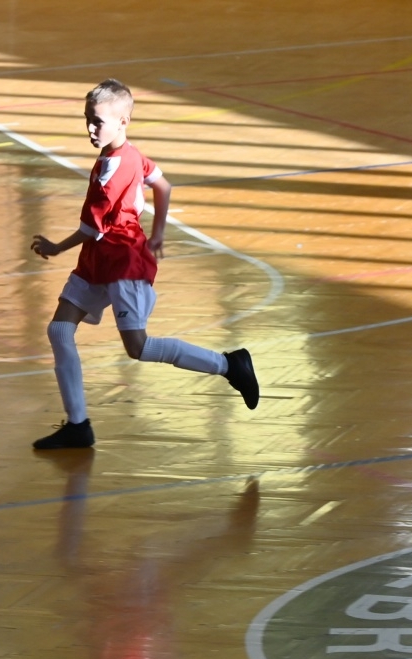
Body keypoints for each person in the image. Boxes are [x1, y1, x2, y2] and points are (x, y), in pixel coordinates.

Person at [29, 79, 259, 450]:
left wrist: (56, 247)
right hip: (99, 260)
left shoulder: (113, 170)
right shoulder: (129, 154)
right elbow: (163, 186)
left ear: (124, 122)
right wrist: (159, 232)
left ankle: (229, 365)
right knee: (59, 330)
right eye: (87, 119)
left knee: (137, 347)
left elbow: (91, 228)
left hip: (123, 262)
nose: (90, 128)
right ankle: (78, 425)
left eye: (98, 122)